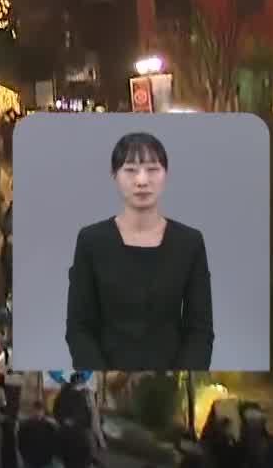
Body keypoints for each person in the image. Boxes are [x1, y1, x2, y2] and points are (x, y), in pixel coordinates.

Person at [64, 130, 214, 370]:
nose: (142, 180)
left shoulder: (190, 243)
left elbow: (200, 330)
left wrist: (178, 379)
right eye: (130, 170)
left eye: (152, 169)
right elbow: (79, 328)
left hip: (172, 377)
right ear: (115, 176)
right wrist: (105, 378)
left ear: (166, 174)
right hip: (108, 376)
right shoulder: (91, 241)